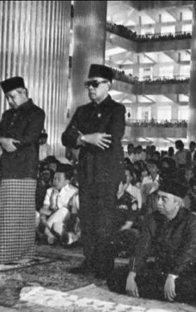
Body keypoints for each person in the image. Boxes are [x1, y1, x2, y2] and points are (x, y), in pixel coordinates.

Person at [62, 64, 126, 278]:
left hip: (106, 174)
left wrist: (81, 137)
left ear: (108, 85)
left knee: (105, 222)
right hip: (87, 173)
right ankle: (89, 262)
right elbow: (65, 137)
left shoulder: (116, 110)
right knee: (87, 220)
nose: (90, 88)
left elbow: (110, 139)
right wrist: (85, 138)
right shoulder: (82, 110)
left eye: (95, 84)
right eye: (88, 84)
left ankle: (104, 267)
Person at [107, 177, 196, 304]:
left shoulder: (191, 221)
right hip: (160, 269)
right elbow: (142, 247)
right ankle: (156, 291)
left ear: (177, 203)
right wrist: (132, 274)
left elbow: (190, 253)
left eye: (164, 199)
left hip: (183, 272)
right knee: (116, 278)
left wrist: (173, 275)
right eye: (158, 197)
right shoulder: (153, 219)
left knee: (185, 289)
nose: (158, 203)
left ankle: (154, 290)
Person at [0, 76, 45, 263]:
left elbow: (29, 137)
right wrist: (2, 140)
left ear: (23, 93)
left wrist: (7, 140)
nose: (10, 101)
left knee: (19, 215)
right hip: (6, 168)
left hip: (24, 170)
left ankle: (17, 254)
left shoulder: (36, 113)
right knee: (2, 213)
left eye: (12, 97)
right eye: (7, 98)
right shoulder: (7, 115)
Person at [37, 164, 78, 245]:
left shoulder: (74, 191)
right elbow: (43, 209)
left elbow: (72, 214)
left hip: (67, 222)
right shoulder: (50, 190)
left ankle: (44, 233)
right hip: (53, 222)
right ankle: (51, 236)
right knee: (36, 215)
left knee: (63, 210)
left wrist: (51, 213)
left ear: (67, 181)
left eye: (58, 179)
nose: (55, 181)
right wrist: (48, 215)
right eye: (54, 178)